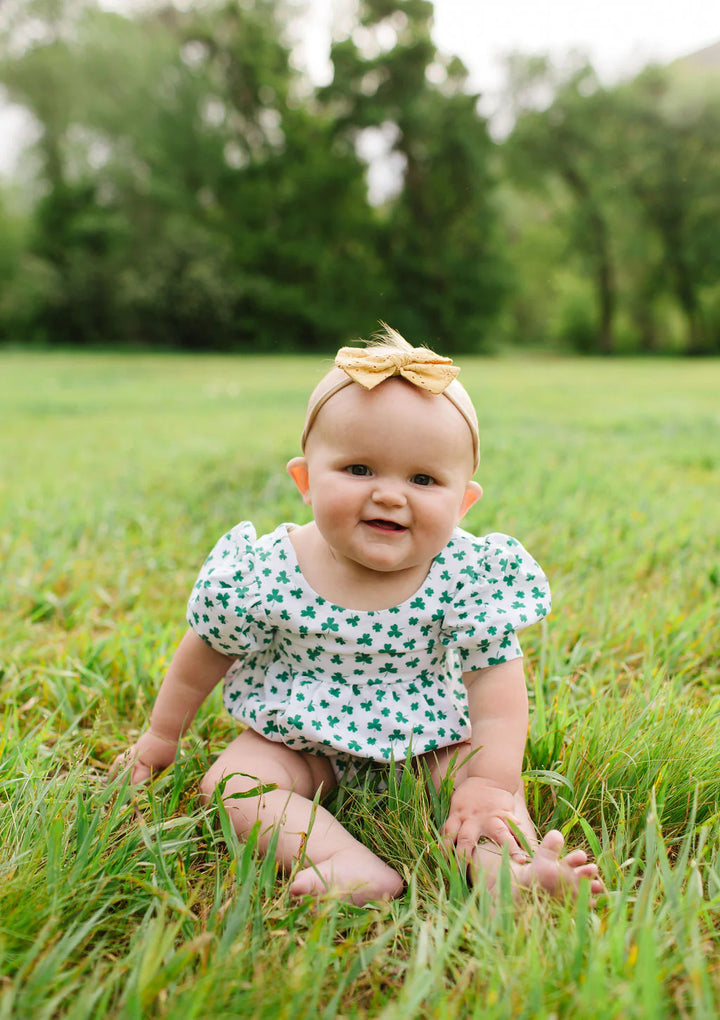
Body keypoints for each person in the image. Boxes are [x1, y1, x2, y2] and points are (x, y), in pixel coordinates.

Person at [112, 325, 602, 906]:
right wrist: (162, 734)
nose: (391, 495)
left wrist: (494, 782)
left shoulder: (468, 573)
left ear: (463, 500)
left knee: (478, 794)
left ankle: (505, 872)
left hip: (428, 741)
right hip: (296, 741)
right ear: (305, 480)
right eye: (359, 470)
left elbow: (495, 683)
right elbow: (205, 651)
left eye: (423, 479)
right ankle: (344, 862)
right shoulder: (267, 567)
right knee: (235, 785)